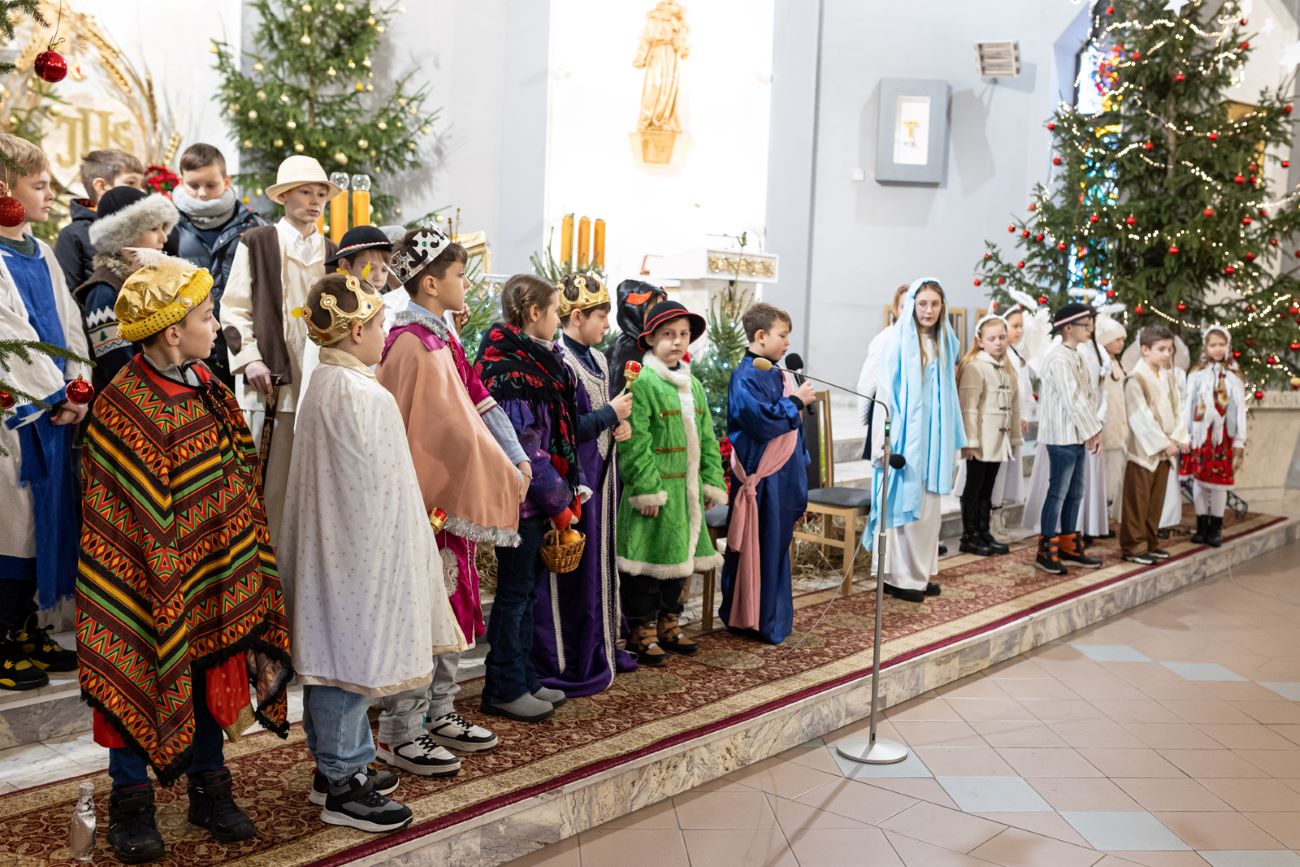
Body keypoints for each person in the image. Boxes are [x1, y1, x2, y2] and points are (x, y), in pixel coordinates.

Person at [75, 251, 292, 862]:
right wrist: (162, 570)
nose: (214, 322)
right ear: (173, 331)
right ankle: (132, 802)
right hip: (141, 580)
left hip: (212, 573)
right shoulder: (125, 405)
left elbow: (235, 482)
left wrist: (235, 552)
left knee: (209, 673)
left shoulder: (211, 389)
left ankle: (209, 787)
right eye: (206, 313)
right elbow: (124, 511)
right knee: (141, 667)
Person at [279, 273, 467, 832]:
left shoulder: (326, 381)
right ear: (356, 328)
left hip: (335, 553)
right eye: (381, 323)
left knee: (335, 656)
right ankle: (344, 783)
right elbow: (378, 493)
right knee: (348, 662)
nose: (386, 332)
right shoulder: (363, 393)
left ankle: (336, 766)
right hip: (359, 559)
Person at [377, 226, 524, 754]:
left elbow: (477, 401)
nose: (467, 283)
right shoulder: (411, 344)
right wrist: (502, 466)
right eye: (460, 275)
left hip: (445, 502)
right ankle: (402, 728)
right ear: (432, 284)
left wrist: (515, 455)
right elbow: (442, 428)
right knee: (421, 613)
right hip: (423, 502)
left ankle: (440, 712)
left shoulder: (439, 337)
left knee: (453, 608)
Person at [0, 134, 90, 691]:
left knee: (42, 521)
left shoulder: (39, 249)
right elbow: (10, 336)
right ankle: (5, 633)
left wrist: (78, 388)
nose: (51, 193)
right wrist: (52, 394)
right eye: (39, 184)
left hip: (54, 409)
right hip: (17, 416)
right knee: (12, 524)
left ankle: (28, 624)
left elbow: (69, 321)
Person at [475, 276, 584, 721]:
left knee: (530, 594)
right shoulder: (507, 367)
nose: (558, 319)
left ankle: (524, 677)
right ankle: (502, 684)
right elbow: (525, 445)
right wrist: (559, 502)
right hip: (519, 498)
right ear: (534, 313)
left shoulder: (536, 359)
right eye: (555, 310)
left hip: (537, 498)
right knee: (514, 595)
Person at [219, 155, 339, 544]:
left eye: (321, 193)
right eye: (305, 191)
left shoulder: (331, 251)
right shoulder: (257, 243)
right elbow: (233, 308)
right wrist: (250, 357)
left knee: (309, 490)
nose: (315, 200)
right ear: (285, 196)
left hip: (317, 386)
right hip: (270, 387)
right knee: (263, 486)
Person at [533, 273, 638, 696]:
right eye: (600, 317)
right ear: (576, 317)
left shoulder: (595, 359)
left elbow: (601, 418)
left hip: (603, 473)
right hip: (577, 480)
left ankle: (602, 642)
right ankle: (574, 653)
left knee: (599, 560)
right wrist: (610, 416)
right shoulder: (563, 361)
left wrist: (618, 427)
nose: (606, 326)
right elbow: (565, 429)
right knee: (577, 570)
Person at [617, 300, 726, 663]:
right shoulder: (644, 382)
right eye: (668, 335)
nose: (677, 342)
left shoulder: (691, 385)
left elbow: (708, 438)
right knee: (648, 565)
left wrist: (710, 481)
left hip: (686, 492)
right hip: (656, 492)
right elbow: (636, 440)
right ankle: (641, 629)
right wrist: (647, 488)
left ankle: (669, 622)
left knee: (679, 561)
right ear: (650, 339)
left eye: (683, 335)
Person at [864, 279, 965, 602]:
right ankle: (899, 577)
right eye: (923, 304)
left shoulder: (945, 342)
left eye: (935, 304)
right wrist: (882, 440)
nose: (929, 310)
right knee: (903, 505)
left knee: (928, 511)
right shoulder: (895, 342)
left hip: (933, 440)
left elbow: (949, 395)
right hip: (905, 440)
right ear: (911, 306)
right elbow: (883, 395)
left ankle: (919, 576)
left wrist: (955, 439)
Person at [718, 302, 812, 644]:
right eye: (782, 335)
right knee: (762, 546)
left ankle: (773, 617)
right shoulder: (745, 375)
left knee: (776, 546)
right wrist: (795, 403)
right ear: (761, 336)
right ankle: (754, 620)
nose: (787, 343)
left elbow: (794, 432)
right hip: (763, 477)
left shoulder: (777, 373)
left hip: (783, 476)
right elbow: (759, 421)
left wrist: (802, 464)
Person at [173, 143, 266, 389]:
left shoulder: (253, 225)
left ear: (226, 181)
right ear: (180, 181)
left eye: (210, 185)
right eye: (193, 185)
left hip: (238, 348)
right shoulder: (169, 225)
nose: (202, 193)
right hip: (185, 347)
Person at [75, 186, 178, 391]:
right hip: (130, 409)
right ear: (124, 236)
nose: (163, 238)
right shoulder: (103, 292)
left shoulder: (146, 282)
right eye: (153, 229)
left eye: (163, 228)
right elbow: (119, 370)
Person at [1034, 303, 1104, 575]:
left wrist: (1092, 427)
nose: (1090, 329)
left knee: (1076, 492)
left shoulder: (1077, 355)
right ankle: (1046, 550)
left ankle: (1068, 544)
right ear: (1068, 327)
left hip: (1077, 433)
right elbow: (1072, 398)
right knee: (1058, 492)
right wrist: (1092, 430)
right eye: (1086, 324)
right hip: (1061, 434)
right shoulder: (1059, 358)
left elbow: (1088, 395)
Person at [1120, 325, 1189, 565]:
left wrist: (1178, 438)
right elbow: (1139, 418)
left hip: (1166, 448)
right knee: (1137, 501)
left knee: (1155, 500)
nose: (1167, 354)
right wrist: (1162, 442)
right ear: (1144, 350)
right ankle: (1133, 546)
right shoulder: (1135, 379)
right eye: (1161, 349)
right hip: (1144, 451)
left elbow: (1179, 408)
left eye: (1170, 349)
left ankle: (1150, 542)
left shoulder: (1167, 375)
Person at [957, 314, 1022, 556]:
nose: (998, 342)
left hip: (998, 441)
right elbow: (969, 406)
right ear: (980, 341)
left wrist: (1013, 438)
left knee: (988, 487)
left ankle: (984, 532)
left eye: (1002, 338)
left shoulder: (1007, 369)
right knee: (973, 487)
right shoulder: (975, 367)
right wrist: (969, 441)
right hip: (981, 441)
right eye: (992, 338)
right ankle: (970, 535)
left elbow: (1014, 407)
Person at [1182, 326, 1244, 549]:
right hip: (1200, 435)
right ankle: (1202, 525)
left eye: (1222, 344)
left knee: (1219, 484)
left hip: (1222, 437)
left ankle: (1216, 527)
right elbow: (1188, 405)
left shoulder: (1233, 375)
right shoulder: (1197, 374)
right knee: (1199, 480)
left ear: (1228, 346)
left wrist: (1239, 439)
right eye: (1213, 345)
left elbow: (1239, 409)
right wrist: (1185, 435)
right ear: (1206, 347)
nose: (1218, 349)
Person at [54, 148, 145, 289]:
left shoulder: (139, 229)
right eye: (131, 183)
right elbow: (67, 294)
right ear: (101, 186)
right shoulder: (73, 235)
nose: (141, 191)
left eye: (141, 184)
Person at [856, 283, 910, 457]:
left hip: (906, 407)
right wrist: (866, 413)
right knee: (886, 458)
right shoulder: (886, 338)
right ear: (895, 309)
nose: (908, 311)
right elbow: (868, 378)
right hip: (884, 406)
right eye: (903, 306)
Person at [1077, 315, 1112, 540]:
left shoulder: (1099, 350)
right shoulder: (1072, 351)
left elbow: (1103, 389)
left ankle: (1090, 525)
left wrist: (1098, 419)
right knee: (1078, 479)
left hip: (1095, 418)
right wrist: (1087, 423)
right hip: (1079, 422)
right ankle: (1075, 529)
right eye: (1084, 323)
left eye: (1091, 323)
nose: (1089, 328)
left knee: (1091, 477)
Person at [1096, 315, 1129, 524]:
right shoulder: (1101, 364)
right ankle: (1101, 516)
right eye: (1117, 339)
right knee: (1104, 474)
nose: (1121, 343)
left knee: (1114, 472)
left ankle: (1106, 515)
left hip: (1118, 427)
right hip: (1105, 428)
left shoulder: (1117, 363)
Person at [607, 278, 667, 394]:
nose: (660, 318)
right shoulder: (624, 353)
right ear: (634, 314)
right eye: (652, 312)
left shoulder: (654, 345)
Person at [328, 224, 394, 293]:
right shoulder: (334, 300)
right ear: (345, 266)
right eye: (370, 269)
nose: (379, 278)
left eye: (384, 270)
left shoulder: (388, 301)